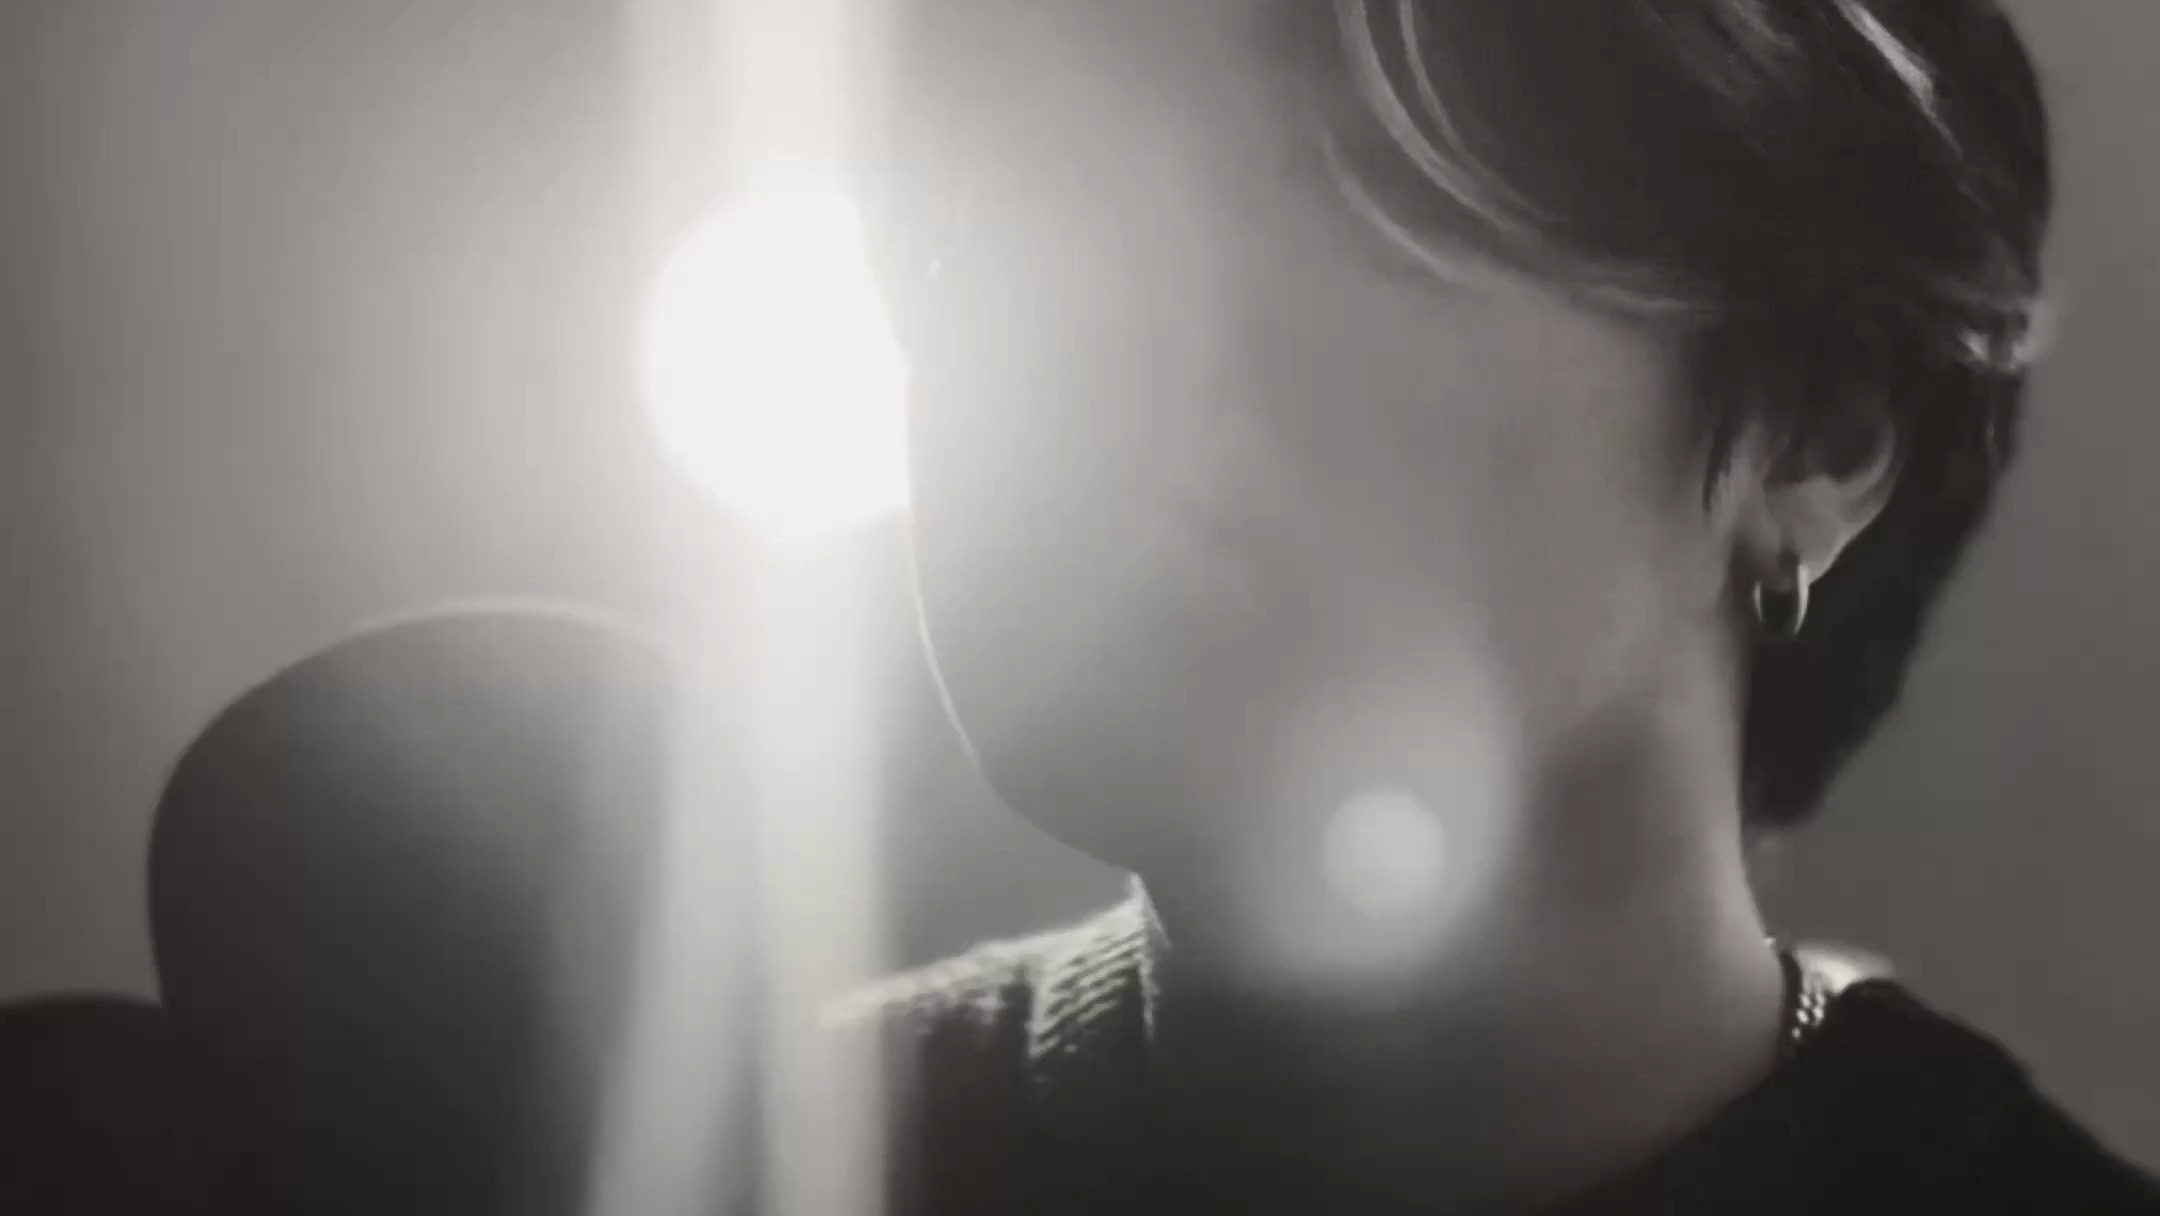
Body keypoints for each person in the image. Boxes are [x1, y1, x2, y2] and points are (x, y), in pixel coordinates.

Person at [839, 1, 2160, 1212]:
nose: (1086, 354)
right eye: (1004, 199)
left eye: (1344, 206)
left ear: (1820, 435)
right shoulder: (760, 1150)